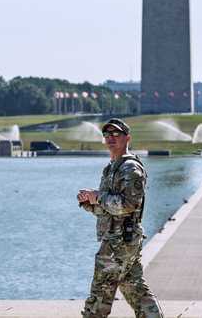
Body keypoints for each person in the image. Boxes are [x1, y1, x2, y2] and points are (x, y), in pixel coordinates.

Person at [77, 118, 164, 318]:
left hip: (119, 243)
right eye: (107, 135)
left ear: (127, 138)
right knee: (137, 292)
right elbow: (110, 210)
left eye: (116, 134)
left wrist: (98, 196)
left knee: (99, 296)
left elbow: (127, 205)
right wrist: (90, 203)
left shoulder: (130, 168)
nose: (111, 139)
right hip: (120, 239)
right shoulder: (112, 168)